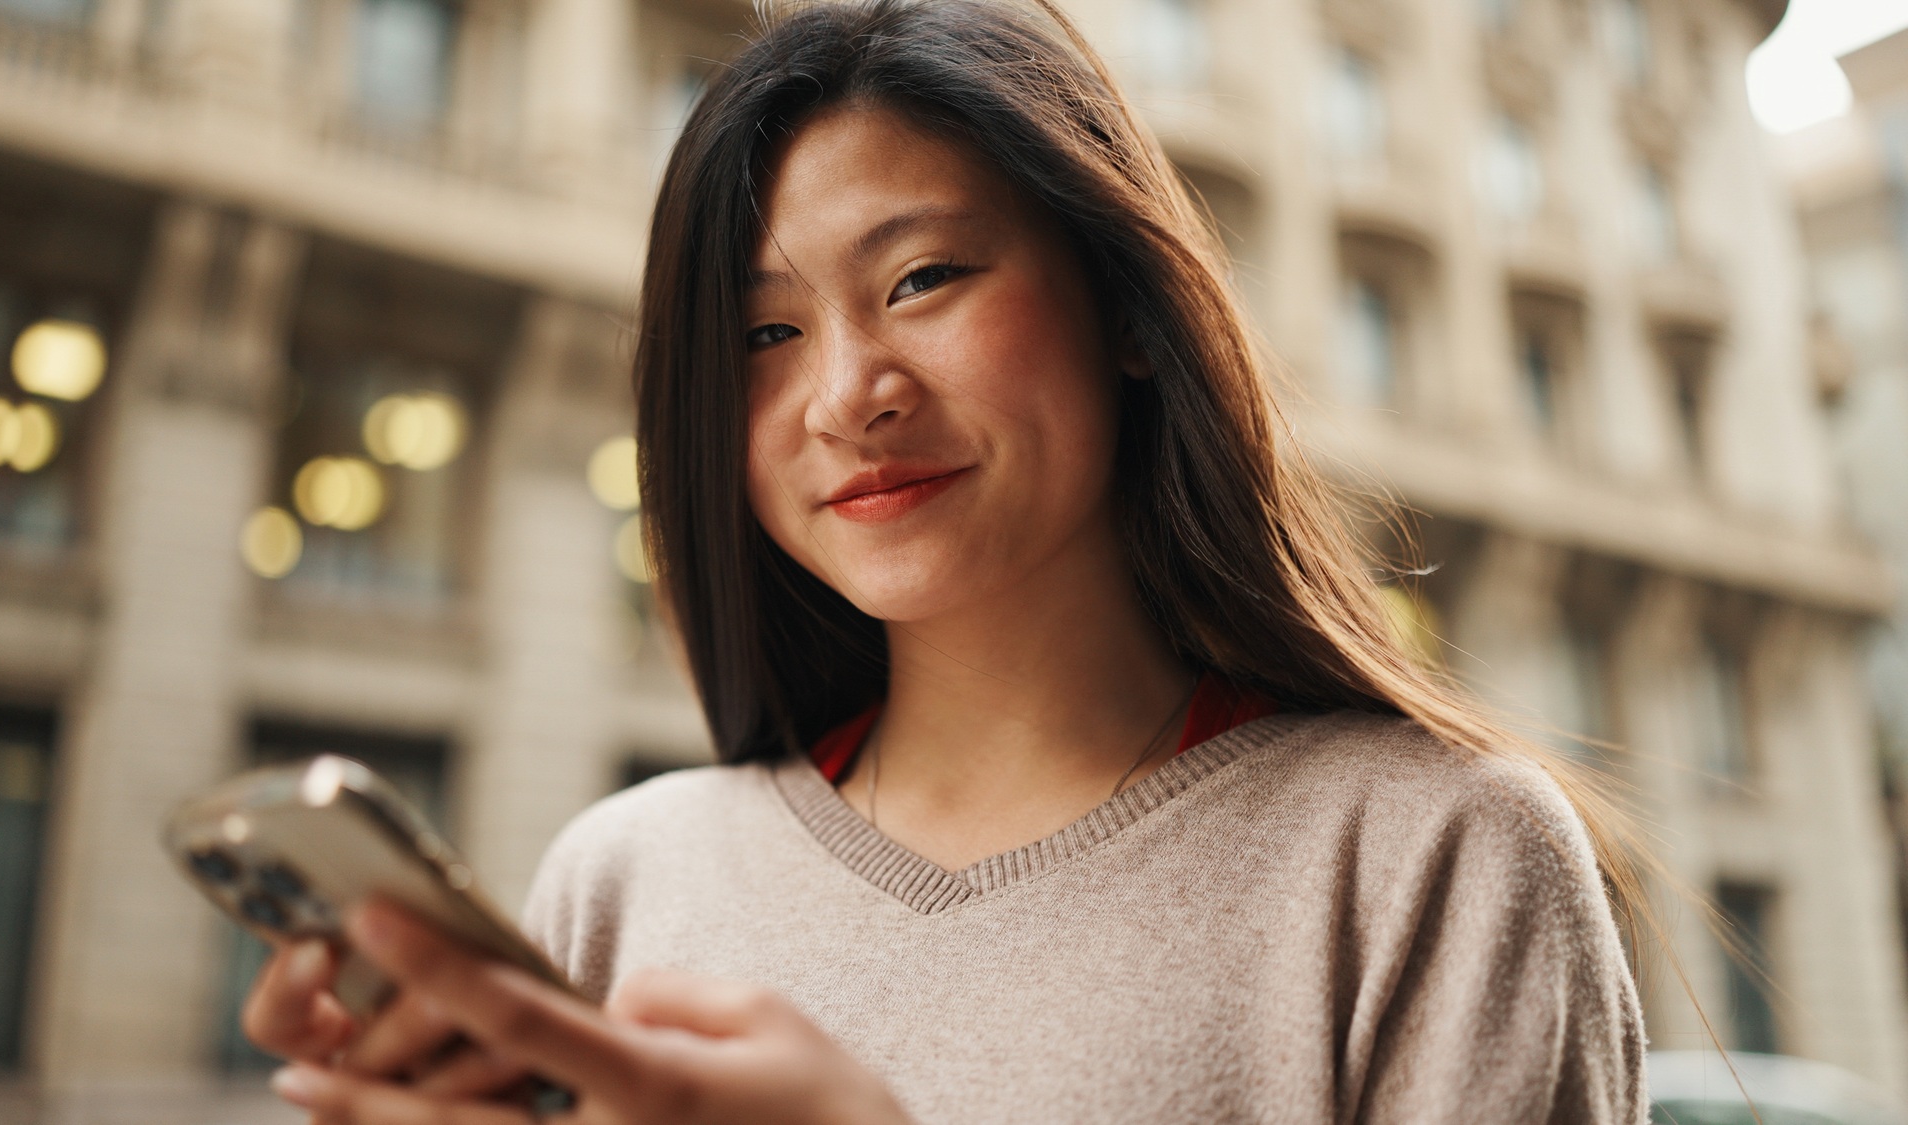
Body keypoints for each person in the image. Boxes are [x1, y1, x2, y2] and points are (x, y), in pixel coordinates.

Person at [243, 0, 1647, 1120]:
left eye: (923, 279)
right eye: (763, 336)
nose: (850, 394)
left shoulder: (1432, 858)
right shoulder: (625, 876)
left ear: (1131, 311)